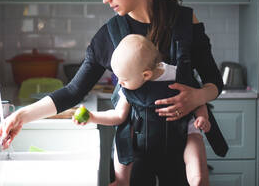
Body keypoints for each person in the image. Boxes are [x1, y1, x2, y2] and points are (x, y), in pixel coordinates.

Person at [0, 0, 225, 185]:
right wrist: (22, 115)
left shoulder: (184, 20)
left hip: (183, 149)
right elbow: (73, 91)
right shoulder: (109, 35)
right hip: (134, 156)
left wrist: (198, 97)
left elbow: (215, 82)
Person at [73, 34, 211, 186]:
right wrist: (92, 117)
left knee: (195, 141)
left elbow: (198, 100)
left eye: (123, 79)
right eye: (117, 77)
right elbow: (118, 116)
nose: (120, 83)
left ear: (146, 75)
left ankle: (197, 179)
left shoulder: (179, 75)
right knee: (124, 136)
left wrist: (202, 117)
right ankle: (121, 180)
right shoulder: (129, 86)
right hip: (144, 138)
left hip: (181, 132)